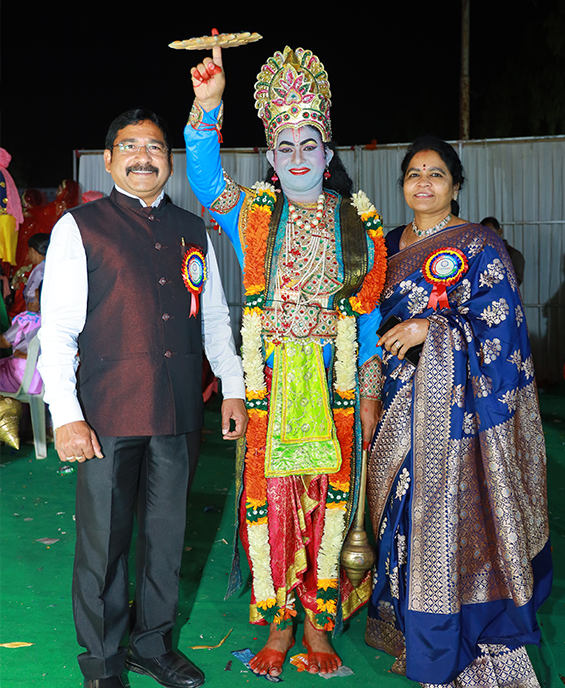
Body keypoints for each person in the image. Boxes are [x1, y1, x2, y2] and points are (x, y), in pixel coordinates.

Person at [184, 44, 387, 677]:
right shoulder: (254, 213)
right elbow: (206, 180)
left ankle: (319, 626)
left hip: (333, 386)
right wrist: (207, 108)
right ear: (271, 158)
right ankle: (278, 622)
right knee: (271, 500)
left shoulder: (359, 225)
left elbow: (369, 321)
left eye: (310, 145)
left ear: (328, 154)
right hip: (270, 383)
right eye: (285, 147)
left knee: (330, 501)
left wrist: (369, 396)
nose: (298, 157)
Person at [38, 108, 247, 688]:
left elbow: (214, 319)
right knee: (103, 544)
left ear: (169, 161)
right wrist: (66, 416)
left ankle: (152, 645)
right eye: (129, 146)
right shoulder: (80, 227)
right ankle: (103, 663)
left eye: (154, 146)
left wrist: (232, 388)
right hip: (106, 415)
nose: (143, 157)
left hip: (179, 410)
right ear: (108, 160)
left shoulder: (192, 228)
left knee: (167, 537)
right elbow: (57, 331)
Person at [365, 135, 552, 686]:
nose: (423, 183)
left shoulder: (480, 245)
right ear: (402, 185)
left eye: (436, 173)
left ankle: (458, 637)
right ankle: (412, 629)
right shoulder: (385, 247)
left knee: (448, 517)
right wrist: (369, 393)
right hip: (396, 401)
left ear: (456, 184)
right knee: (400, 515)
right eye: (414, 174)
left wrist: (434, 328)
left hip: (457, 415)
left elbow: (503, 329)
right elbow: (366, 327)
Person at [481, 216, 525, 286]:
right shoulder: (480, 253)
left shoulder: (514, 255)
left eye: (492, 234)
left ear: (500, 231)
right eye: (485, 235)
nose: (489, 238)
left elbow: (516, 282)